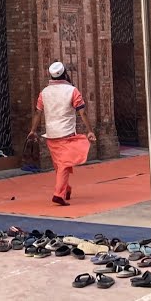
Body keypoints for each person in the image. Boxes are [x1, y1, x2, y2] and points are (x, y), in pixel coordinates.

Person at [27, 61, 96, 207]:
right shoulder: (72, 91)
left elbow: (38, 113)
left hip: (51, 133)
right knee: (64, 164)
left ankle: (66, 189)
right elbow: (82, 112)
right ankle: (58, 194)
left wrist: (33, 130)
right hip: (66, 132)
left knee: (60, 164)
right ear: (65, 73)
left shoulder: (44, 93)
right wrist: (90, 130)